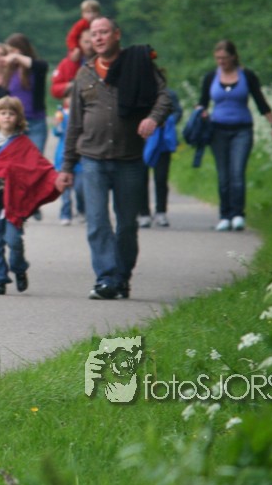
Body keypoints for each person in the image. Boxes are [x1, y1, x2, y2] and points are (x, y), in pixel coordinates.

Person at [56, 17, 172, 300]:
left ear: (116, 35)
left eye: (104, 32)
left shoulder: (139, 64)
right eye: (94, 33)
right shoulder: (84, 74)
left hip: (129, 159)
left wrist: (153, 119)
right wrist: (67, 166)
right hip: (92, 159)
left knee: (127, 225)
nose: (98, 37)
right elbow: (75, 124)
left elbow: (164, 97)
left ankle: (122, 277)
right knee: (97, 222)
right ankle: (106, 278)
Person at [196, 39, 272, 231]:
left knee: (237, 172)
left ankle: (237, 214)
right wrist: (200, 113)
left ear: (233, 57)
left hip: (242, 130)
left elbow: (260, 101)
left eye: (224, 58)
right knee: (223, 175)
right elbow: (202, 102)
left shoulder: (247, 76)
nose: (221, 62)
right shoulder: (211, 77)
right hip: (217, 130)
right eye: (218, 58)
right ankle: (224, 215)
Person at [0, 96, 60, 295]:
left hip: (15, 203)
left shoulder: (24, 143)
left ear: (18, 118)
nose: (7, 117)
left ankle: (19, 268)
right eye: (3, 113)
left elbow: (39, 167)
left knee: (14, 240)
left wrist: (56, 179)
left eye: (11, 113)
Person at [137, 85, 183, 227]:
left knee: (161, 178)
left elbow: (177, 112)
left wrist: (167, 121)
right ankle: (144, 213)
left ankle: (161, 212)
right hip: (141, 141)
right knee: (141, 178)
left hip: (162, 142)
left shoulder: (169, 94)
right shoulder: (137, 91)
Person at [2, 33, 50, 155]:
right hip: (15, 123)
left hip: (35, 122)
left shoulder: (36, 67)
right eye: (9, 52)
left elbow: (42, 66)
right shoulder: (9, 71)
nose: (11, 55)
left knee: (34, 159)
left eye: (13, 51)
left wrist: (17, 56)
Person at [53, 93, 83, 225]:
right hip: (63, 156)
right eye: (68, 97)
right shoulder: (61, 113)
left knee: (80, 188)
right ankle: (65, 213)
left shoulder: (83, 113)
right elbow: (57, 132)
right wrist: (57, 123)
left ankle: (82, 209)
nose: (71, 99)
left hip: (80, 157)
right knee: (65, 189)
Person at [52, 26, 94, 101]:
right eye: (86, 42)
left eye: (91, 42)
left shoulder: (102, 60)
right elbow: (54, 89)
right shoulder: (68, 62)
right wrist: (71, 86)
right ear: (79, 42)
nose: (89, 46)